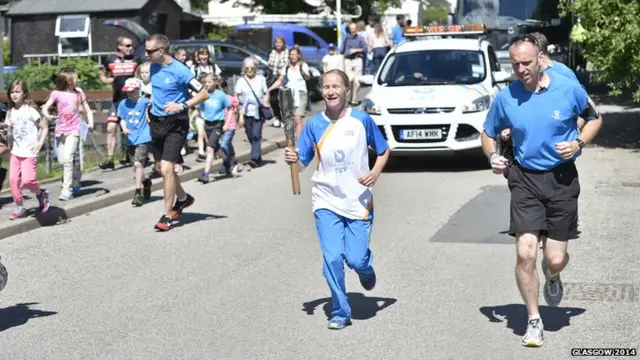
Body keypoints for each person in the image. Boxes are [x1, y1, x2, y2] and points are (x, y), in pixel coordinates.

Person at [481, 34, 602, 347]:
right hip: (524, 179)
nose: (520, 69)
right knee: (525, 252)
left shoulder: (567, 88)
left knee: (556, 257)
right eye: (515, 64)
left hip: (561, 179)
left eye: (526, 63)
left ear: (540, 59)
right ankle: (534, 319)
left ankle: (553, 274)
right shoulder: (506, 97)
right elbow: (488, 132)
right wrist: (493, 155)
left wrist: (578, 143)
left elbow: (594, 118)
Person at [283, 69, 390, 330]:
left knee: (355, 259)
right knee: (332, 257)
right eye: (326, 87)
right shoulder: (314, 125)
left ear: (346, 90)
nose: (331, 91)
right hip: (326, 199)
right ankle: (341, 311)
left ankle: (365, 268)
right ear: (321, 91)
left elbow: (384, 150)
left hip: (358, 201)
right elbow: (302, 164)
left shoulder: (361, 120)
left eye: (336, 86)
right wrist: (293, 160)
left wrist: (374, 173)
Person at [145, 34, 209, 231]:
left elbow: (204, 93)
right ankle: (183, 198)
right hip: (156, 123)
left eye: (150, 51)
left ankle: (167, 216)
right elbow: (158, 91)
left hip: (176, 124)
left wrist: (183, 105)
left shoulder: (180, 70)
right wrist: (150, 107)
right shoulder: (153, 66)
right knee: (162, 169)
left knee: (166, 169)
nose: (146, 54)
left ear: (161, 50)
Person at [41, 69, 94, 201]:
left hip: (74, 130)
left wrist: (91, 122)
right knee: (62, 160)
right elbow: (45, 108)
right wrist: (48, 116)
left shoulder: (79, 93)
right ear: (68, 80)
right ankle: (75, 176)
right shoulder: (56, 93)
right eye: (75, 78)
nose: (77, 80)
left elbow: (88, 110)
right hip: (60, 131)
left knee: (69, 157)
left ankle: (67, 189)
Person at [5, 80, 50, 220]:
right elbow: (10, 131)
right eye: (12, 92)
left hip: (29, 152)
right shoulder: (10, 112)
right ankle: (19, 206)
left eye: (17, 91)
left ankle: (41, 193)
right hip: (16, 152)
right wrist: (9, 143)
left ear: (24, 93)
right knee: (13, 180)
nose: (14, 94)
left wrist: (39, 144)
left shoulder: (30, 111)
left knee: (28, 181)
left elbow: (44, 128)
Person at [99, 36, 140, 170]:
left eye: (131, 46)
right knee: (111, 128)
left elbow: (142, 74)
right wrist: (109, 81)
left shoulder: (135, 59)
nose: (130, 48)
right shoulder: (110, 59)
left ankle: (133, 155)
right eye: (127, 46)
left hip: (131, 101)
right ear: (120, 47)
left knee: (131, 129)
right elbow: (102, 75)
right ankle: (110, 159)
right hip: (116, 101)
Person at [117, 78, 153, 207]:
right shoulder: (123, 104)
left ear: (138, 90)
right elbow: (121, 118)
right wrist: (124, 128)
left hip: (143, 136)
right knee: (136, 167)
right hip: (130, 138)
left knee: (138, 164)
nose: (129, 94)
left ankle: (138, 193)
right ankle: (146, 182)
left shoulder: (144, 102)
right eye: (127, 92)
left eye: (132, 92)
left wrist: (150, 114)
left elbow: (153, 105)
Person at [234, 57, 270, 168]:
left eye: (252, 68)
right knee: (250, 135)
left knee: (256, 135)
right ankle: (257, 156)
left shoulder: (261, 79)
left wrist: (266, 102)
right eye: (247, 68)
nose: (249, 70)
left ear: (256, 68)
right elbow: (236, 96)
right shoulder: (241, 80)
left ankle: (254, 158)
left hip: (258, 111)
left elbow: (266, 92)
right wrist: (238, 111)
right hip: (245, 112)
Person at [196, 74, 232, 183]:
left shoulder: (220, 95)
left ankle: (206, 174)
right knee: (215, 148)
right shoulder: (204, 95)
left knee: (210, 149)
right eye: (205, 82)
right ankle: (227, 159)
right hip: (207, 124)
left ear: (215, 83)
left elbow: (230, 109)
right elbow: (200, 108)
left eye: (209, 82)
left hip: (217, 124)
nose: (207, 84)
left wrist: (226, 124)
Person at [340, 22, 366, 105]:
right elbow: (341, 50)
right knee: (349, 79)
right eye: (351, 30)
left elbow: (365, 49)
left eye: (354, 30)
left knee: (357, 81)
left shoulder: (360, 38)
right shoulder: (346, 38)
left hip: (357, 59)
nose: (353, 32)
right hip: (348, 60)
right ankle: (349, 98)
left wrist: (356, 50)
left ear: (356, 29)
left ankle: (354, 99)